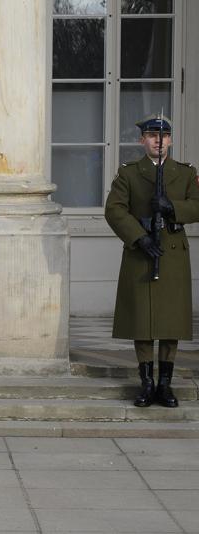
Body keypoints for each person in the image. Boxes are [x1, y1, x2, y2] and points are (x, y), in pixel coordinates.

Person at [105, 114, 199, 408]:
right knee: (142, 321)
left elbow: (197, 205)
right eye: (152, 135)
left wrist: (173, 207)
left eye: (164, 135)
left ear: (170, 139)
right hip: (141, 252)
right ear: (142, 140)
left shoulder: (184, 173)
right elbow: (115, 210)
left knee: (170, 322)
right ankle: (146, 383)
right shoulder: (129, 174)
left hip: (171, 253)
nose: (158, 140)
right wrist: (139, 237)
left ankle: (165, 385)